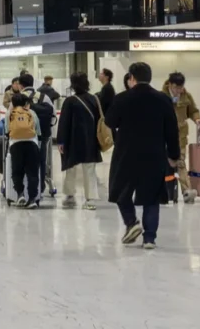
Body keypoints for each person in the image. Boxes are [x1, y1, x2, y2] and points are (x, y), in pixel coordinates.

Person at [106, 62, 180, 250]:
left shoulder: (122, 98)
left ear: (131, 78)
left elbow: (110, 121)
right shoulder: (163, 99)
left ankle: (131, 222)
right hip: (154, 153)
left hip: (126, 153)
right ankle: (149, 238)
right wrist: (173, 155)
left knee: (120, 189)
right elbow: (172, 129)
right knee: (152, 196)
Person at [57, 72, 103, 210]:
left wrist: (61, 142)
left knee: (71, 167)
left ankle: (70, 194)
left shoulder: (70, 101)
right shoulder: (94, 99)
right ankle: (90, 199)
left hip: (73, 140)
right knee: (89, 169)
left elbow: (64, 122)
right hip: (90, 139)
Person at [162, 72, 200, 204]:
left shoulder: (186, 95)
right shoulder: (161, 96)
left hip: (180, 136)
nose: (178, 91)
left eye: (180, 88)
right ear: (170, 84)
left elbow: (193, 110)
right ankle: (162, 192)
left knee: (180, 162)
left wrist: (197, 120)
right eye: (176, 88)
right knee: (163, 164)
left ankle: (187, 191)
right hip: (164, 136)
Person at [6, 92, 42, 208]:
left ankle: (20, 194)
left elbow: (7, 132)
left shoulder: (10, 114)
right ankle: (32, 199)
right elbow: (38, 131)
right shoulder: (32, 113)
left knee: (16, 171)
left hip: (15, 144)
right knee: (32, 173)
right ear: (26, 103)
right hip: (32, 144)